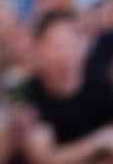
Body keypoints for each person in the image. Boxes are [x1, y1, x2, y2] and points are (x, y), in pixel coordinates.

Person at [17, 10, 113, 163]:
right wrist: (97, 141)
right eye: (57, 44)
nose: (66, 51)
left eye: (71, 40)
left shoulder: (103, 90)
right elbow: (43, 158)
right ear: (39, 49)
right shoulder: (27, 95)